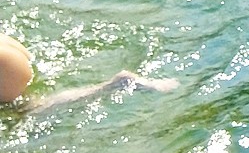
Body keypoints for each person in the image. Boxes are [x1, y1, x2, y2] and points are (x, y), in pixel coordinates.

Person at [1, 33, 176, 112]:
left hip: (6, 65)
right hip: (8, 47)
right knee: (26, 104)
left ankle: (117, 84)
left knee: (27, 109)